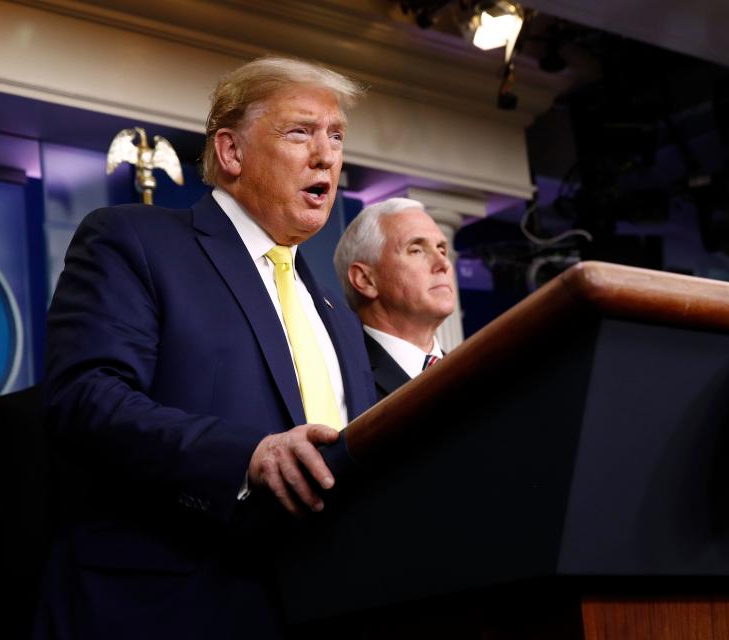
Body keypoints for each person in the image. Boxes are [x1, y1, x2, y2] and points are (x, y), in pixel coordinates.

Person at [33, 56, 377, 639]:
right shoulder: (133, 241)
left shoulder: (337, 316)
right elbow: (84, 398)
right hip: (169, 610)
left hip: (325, 607)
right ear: (230, 152)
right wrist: (246, 457)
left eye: (336, 136)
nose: (327, 155)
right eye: (300, 132)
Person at [333, 198, 456, 400]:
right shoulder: (339, 378)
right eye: (416, 250)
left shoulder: (477, 372)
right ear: (365, 280)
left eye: (442, 249)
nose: (443, 263)